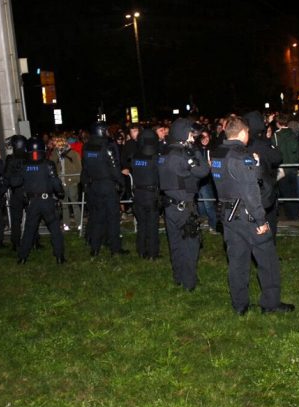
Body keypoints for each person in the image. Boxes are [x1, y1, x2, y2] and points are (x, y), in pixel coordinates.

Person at [210, 115, 294, 315]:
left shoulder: (217, 154)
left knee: (237, 261)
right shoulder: (242, 156)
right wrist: (261, 221)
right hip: (248, 216)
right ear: (241, 133)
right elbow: (250, 192)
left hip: (229, 216)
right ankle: (271, 304)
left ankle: (240, 305)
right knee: (268, 260)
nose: (248, 135)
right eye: (247, 132)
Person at [157, 118, 209, 291]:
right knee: (190, 244)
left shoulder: (164, 152)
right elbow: (203, 171)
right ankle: (189, 282)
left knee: (175, 243)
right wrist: (195, 150)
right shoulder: (182, 154)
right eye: (190, 134)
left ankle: (178, 276)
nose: (192, 138)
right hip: (184, 207)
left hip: (169, 206)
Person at [81, 122, 128, 256]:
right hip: (107, 185)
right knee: (113, 218)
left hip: (93, 185)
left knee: (97, 217)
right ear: (101, 131)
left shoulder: (87, 147)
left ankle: (95, 248)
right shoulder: (107, 146)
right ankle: (115, 248)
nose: (108, 132)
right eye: (106, 130)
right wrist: (121, 183)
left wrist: (86, 185)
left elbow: (84, 169)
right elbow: (114, 168)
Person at [16, 138, 66, 264]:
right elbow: (55, 182)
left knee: (29, 230)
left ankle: (22, 257)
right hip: (46, 201)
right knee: (55, 229)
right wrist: (60, 192)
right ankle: (59, 256)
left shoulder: (24, 166)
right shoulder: (48, 164)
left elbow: (15, 182)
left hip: (32, 202)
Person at [243, 110, 283, 241]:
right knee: (269, 221)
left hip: (246, 190)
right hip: (264, 189)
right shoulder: (262, 143)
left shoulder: (242, 144)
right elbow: (277, 158)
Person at [131, 128, 162, 259]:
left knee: (142, 223)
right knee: (152, 224)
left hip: (138, 194)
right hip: (151, 194)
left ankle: (141, 250)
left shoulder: (135, 157)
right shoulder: (156, 158)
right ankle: (152, 253)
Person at [50, 133, 83, 231]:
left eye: (55, 142)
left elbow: (79, 168)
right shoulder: (55, 154)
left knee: (74, 203)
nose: (54, 144)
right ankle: (66, 224)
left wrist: (76, 180)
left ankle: (79, 223)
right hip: (61, 182)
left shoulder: (73, 153)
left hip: (71, 182)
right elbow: (52, 166)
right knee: (64, 204)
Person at [3, 134, 29, 251]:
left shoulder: (11, 158)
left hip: (17, 192)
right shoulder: (29, 157)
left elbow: (7, 175)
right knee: (32, 217)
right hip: (29, 191)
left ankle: (16, 243)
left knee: (16, 219)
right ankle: (33, 241)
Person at [196, 129, 219, 233]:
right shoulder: (196, 150)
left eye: (207, 137)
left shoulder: (213, 149)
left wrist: (212, 165)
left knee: (208, 202)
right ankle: (204, 220)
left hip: (207, 179)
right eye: (203, 137)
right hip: (198, 179)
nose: (205, 139)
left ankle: (213, 225)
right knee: (200, 202)